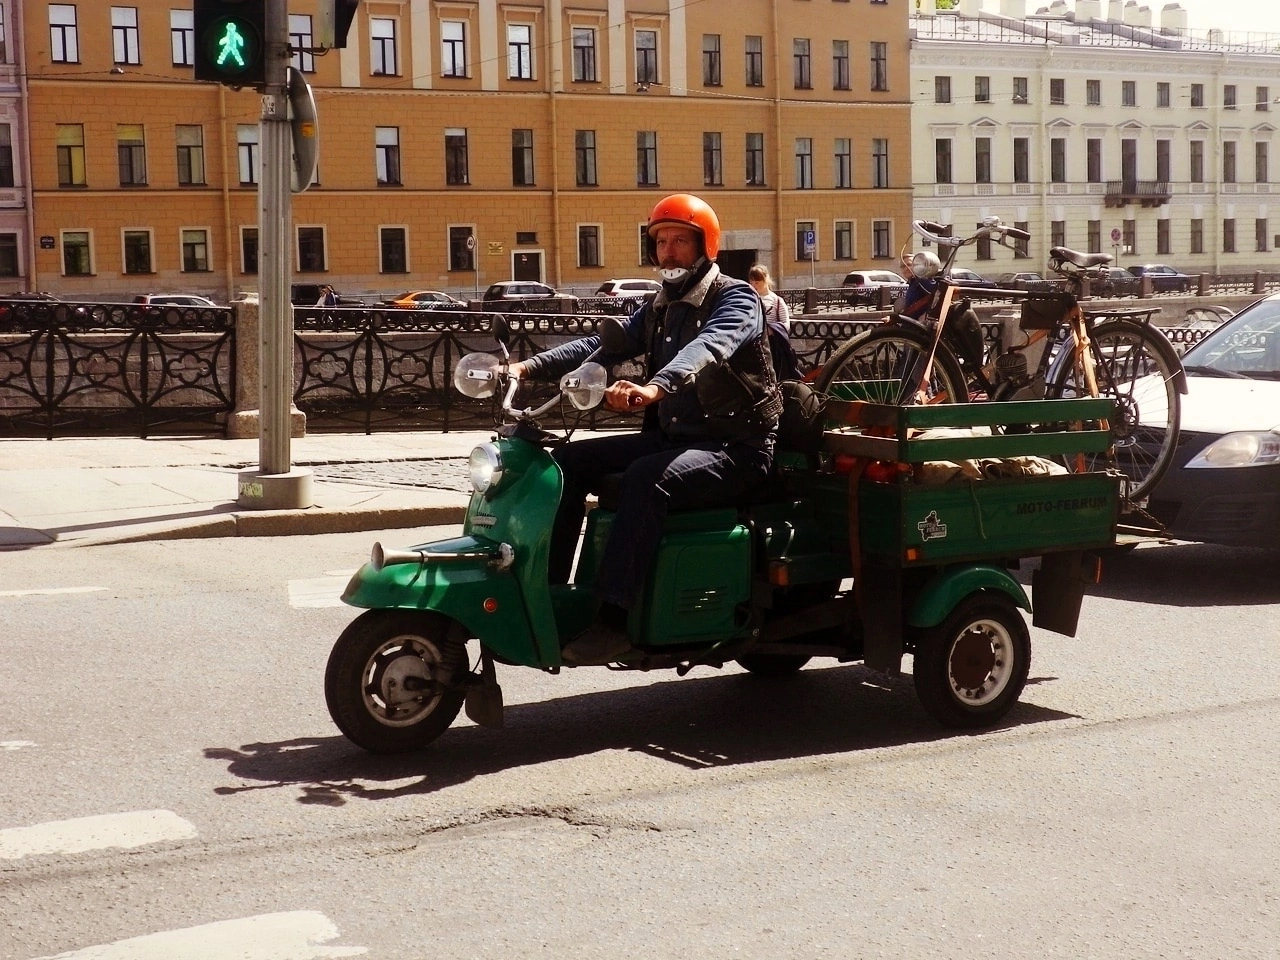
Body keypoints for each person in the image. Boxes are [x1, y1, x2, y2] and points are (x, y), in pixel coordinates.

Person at [509, 194, 782, 665]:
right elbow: (604, 344)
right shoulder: (659, 306)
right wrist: (525, 368)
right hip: (677, 439)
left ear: (704, 245)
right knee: (565, 463)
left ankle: (613, 619)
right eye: (661, 241)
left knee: (646, 477)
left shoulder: (737, 298)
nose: (669, 251)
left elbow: (710, 346)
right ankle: (551, 592)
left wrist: (656, 387)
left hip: (739, 447)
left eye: (680, 240)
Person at [748, 264, 800, 382]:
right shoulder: (750, 299)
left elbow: (786, 323)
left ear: (765, 280)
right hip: (754, 345)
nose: (754, 286)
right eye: (752, 282)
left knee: (774, 374)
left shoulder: (777, 300)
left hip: (772, 346)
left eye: (757, 282)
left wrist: (772, 330)